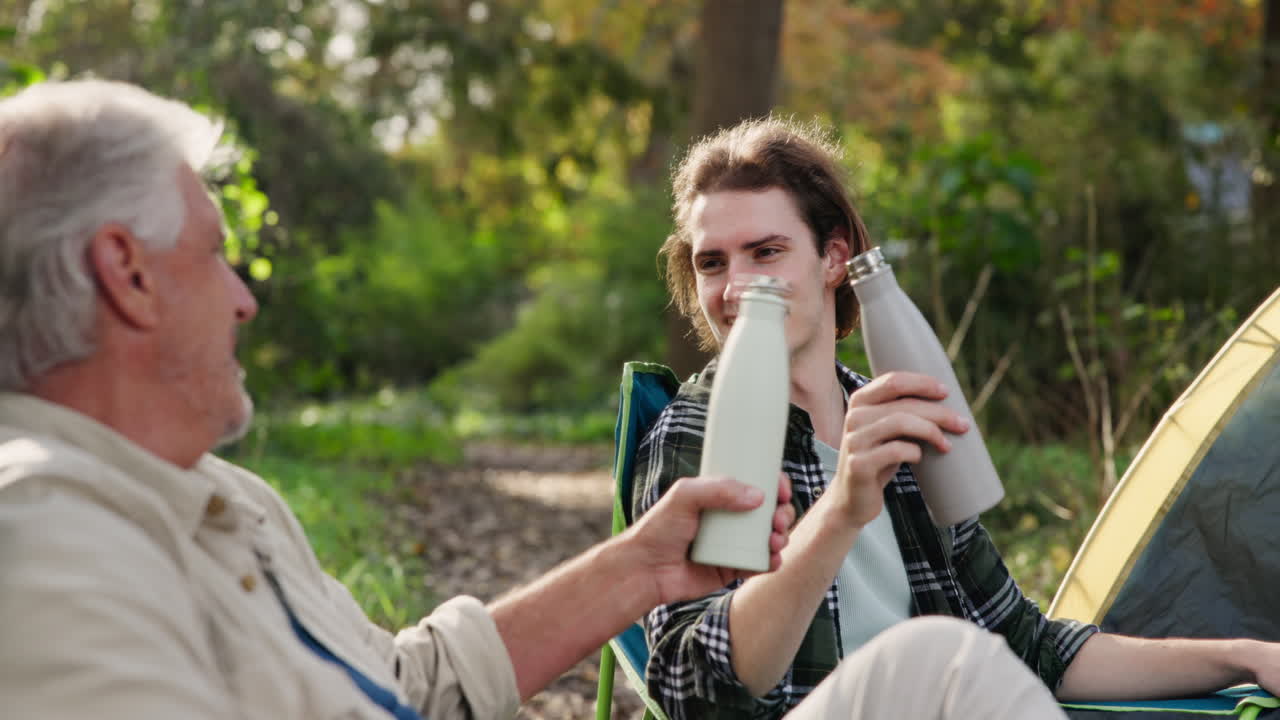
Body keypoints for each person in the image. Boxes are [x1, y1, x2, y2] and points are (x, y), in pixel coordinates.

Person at [0, 80, 1074, 720]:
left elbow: (412, 682)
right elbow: (711, 683)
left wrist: (647, 565)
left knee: (949, 659)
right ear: (126, 273)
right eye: (215, 259)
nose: (242, 299)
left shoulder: (223, 503)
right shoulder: (46, 543)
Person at [633, 116, 1280, 720]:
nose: (737, 286)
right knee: (940, 651)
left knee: (961, 656)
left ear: (833, 258)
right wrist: (841, 510)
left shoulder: (895, 421)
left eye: (765, 252)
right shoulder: (696, 433)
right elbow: (692, 692)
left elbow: (1028, 644)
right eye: (711, 262)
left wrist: (1243, 655)